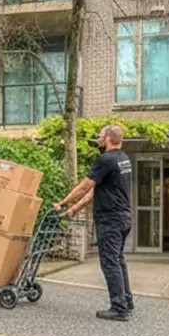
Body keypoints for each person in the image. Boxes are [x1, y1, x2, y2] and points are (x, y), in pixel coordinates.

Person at [54, 124, 135, 320]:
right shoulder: (124, 159)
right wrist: (74, 209)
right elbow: (94, 192)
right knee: (118, 259)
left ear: (107, 138)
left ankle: (119, 308)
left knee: (110, 262)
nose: (99, 138)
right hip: (124, 218)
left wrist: (63, 202)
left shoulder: (105, 160)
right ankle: (126, 301)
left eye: (101, 136)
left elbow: (85, 186)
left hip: (110, 220)